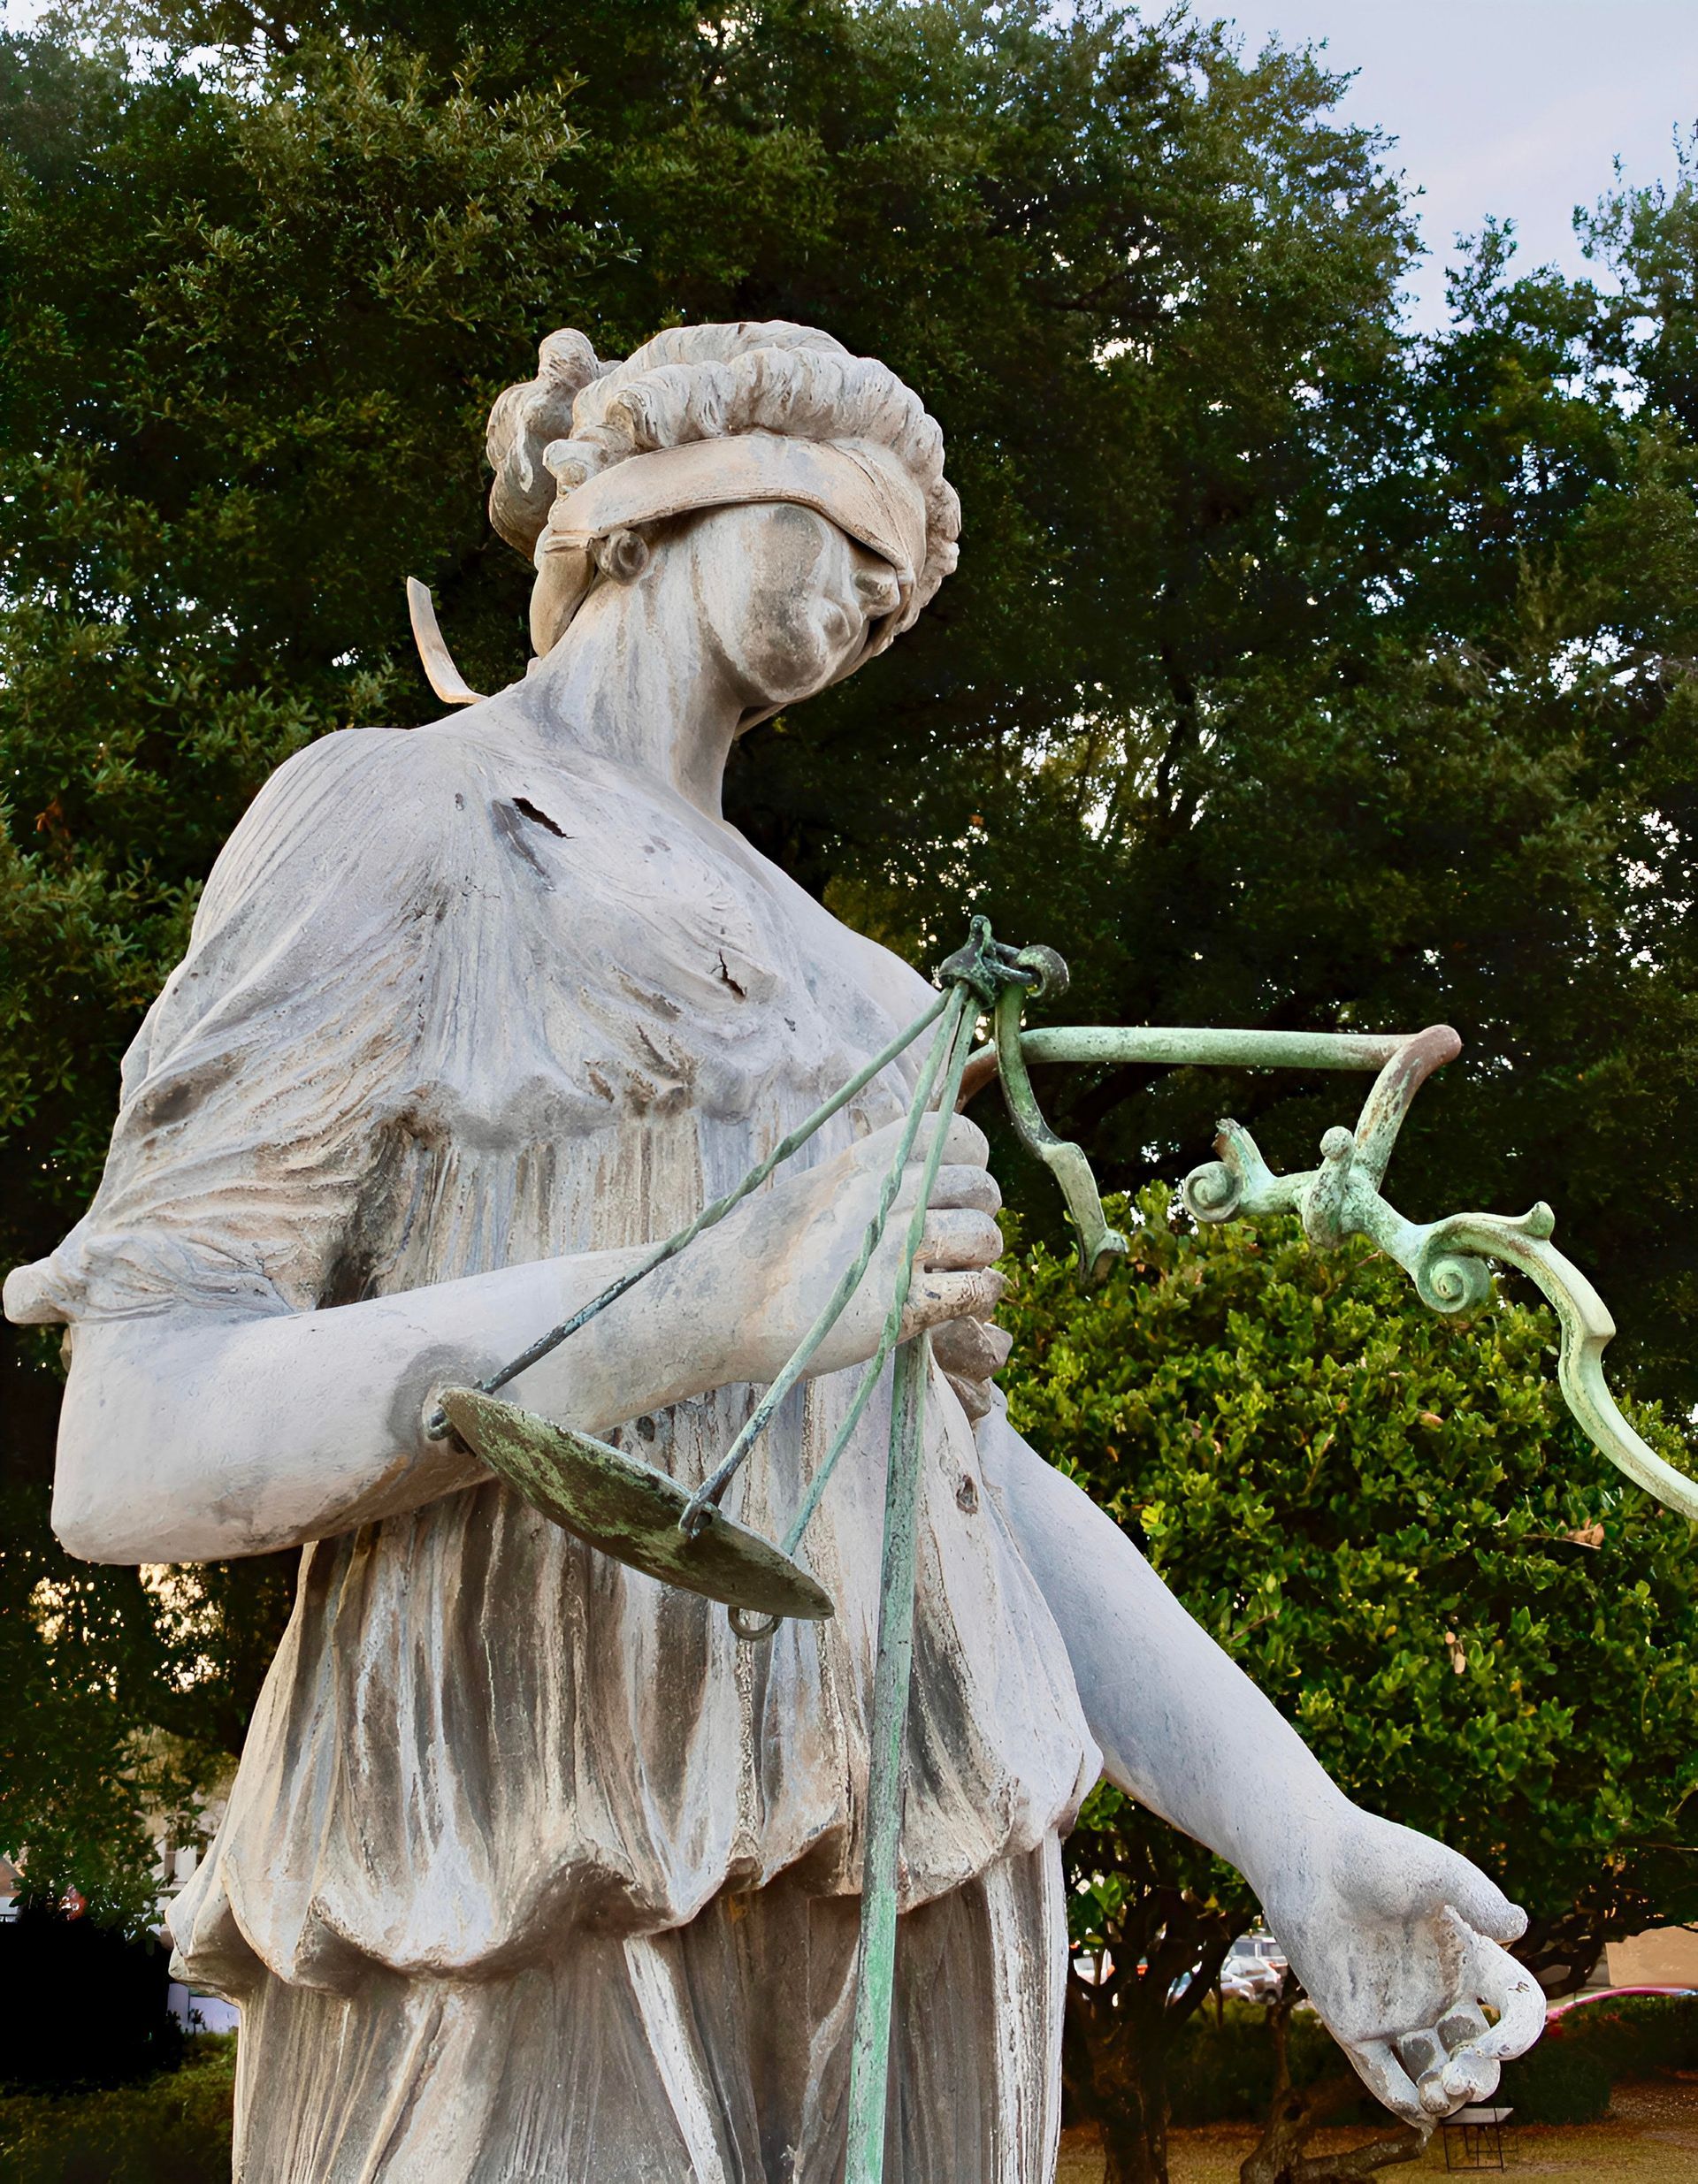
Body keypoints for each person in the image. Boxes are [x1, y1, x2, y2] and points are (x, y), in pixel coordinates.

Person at [5, 321, 1540, 2182]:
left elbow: (967, 1472)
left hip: (922, 1853)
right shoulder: (406, 824)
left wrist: (1295, 1827)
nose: (878, 598)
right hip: (522, 1825)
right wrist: (707, 1305)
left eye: (906, 592)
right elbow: (140, 1434)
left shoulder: (873, 990)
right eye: (848, 533)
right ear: (660, 499)